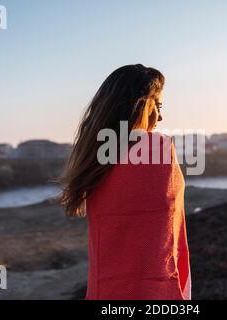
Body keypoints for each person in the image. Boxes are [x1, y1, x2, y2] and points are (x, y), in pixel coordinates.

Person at [57, 64, 191, 300]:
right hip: (154, 294)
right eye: (157, 105)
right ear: (137, 106)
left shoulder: (95, 161)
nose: (160, 117)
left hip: (104, 292)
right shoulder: (156, 149)